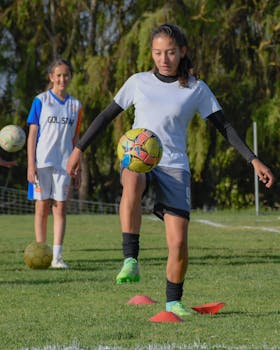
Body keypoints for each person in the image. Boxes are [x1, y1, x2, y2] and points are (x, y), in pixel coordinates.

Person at [66, 24, 274, 315]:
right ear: (152, 53)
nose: (164, 58)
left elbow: (224, 126)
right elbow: (104, 116)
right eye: (158, 52)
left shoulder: (196, 88)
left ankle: (174, 303)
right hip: (138, 158)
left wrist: (253, 159)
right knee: (133, 182)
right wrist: (78, 150)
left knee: (178, 242)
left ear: (182, 52)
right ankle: (131, 259)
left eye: (171, 52)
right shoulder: (138, 82)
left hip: (175, 166)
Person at [27, 58, 83, 269]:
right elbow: (32, 135)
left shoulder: (75, 105)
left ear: (70, 77)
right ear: (51, 77)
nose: (62, 79)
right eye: (58, 75)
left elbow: (77, 139)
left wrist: (79, 167)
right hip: (42, 163)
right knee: (41, 207)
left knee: (60, 208)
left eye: (66, 75)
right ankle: (41, 252)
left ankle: (57, 257)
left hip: (65, 165)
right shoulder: (40, 100)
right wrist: (30, 164)